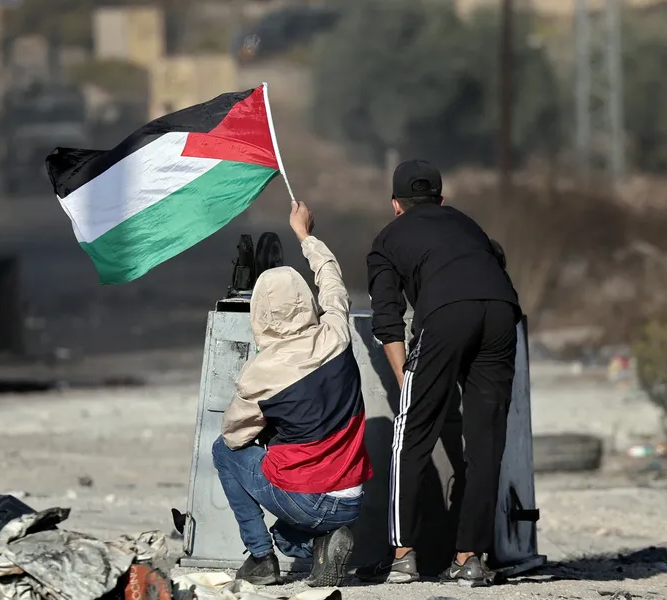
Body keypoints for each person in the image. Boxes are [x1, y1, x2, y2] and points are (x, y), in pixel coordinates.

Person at [357, 160, 521, 587]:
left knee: (409, 436)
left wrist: (405, 381)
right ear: (441, 200)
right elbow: (494, 263)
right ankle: (470, 558)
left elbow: (387, 319)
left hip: (447, 315)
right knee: (485, 444)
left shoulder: (387, 239)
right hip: (503, 310)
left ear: (396, 205)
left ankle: (403, 554)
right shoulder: (467, 225)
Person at [213, 200, 373, 587]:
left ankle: (260, 558)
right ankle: (323, 546)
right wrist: (304, 234)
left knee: (222, 451)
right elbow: (331, 281)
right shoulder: (336, 333)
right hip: (351, 497)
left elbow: (236, 437)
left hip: (305, 499)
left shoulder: (259, 375)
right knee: (289, 534)